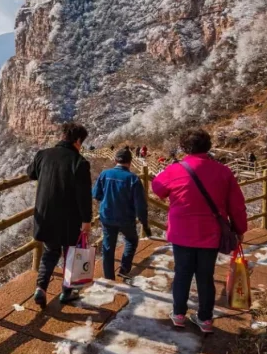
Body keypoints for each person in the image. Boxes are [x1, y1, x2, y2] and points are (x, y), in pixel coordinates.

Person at [151, 128, 247, 335]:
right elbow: (237, 206)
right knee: (205, 276)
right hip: (210, 233)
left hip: (181, 233)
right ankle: (205, 319)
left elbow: (158, 189)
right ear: (208, 146)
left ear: (184, 147)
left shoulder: (175, 170)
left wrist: (164, 173)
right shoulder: (223, 171)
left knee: (182, 273)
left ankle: (178, 314)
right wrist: (240, 230)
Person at [28, 121, 93, 308]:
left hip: (45, 215)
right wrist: (86, 221)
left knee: (50, 251)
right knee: (70, 254)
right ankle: (66, 292)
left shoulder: (43, 155)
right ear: (78, 140)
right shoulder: (79, 162)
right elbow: (84, 196)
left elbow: (30, 173)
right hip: (69, 219)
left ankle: (41, 288)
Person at [92, 146, 150, 282]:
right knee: (131, 240)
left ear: (115, 160)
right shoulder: (133, 178)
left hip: (107, 216)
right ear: (130, 162)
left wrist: (107, 200)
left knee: (108, 246)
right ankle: (124, 269)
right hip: (126, 218)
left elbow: (96, 194)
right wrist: (144, 222)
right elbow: (140, 204)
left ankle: (109, 277)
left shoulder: (105, 174)